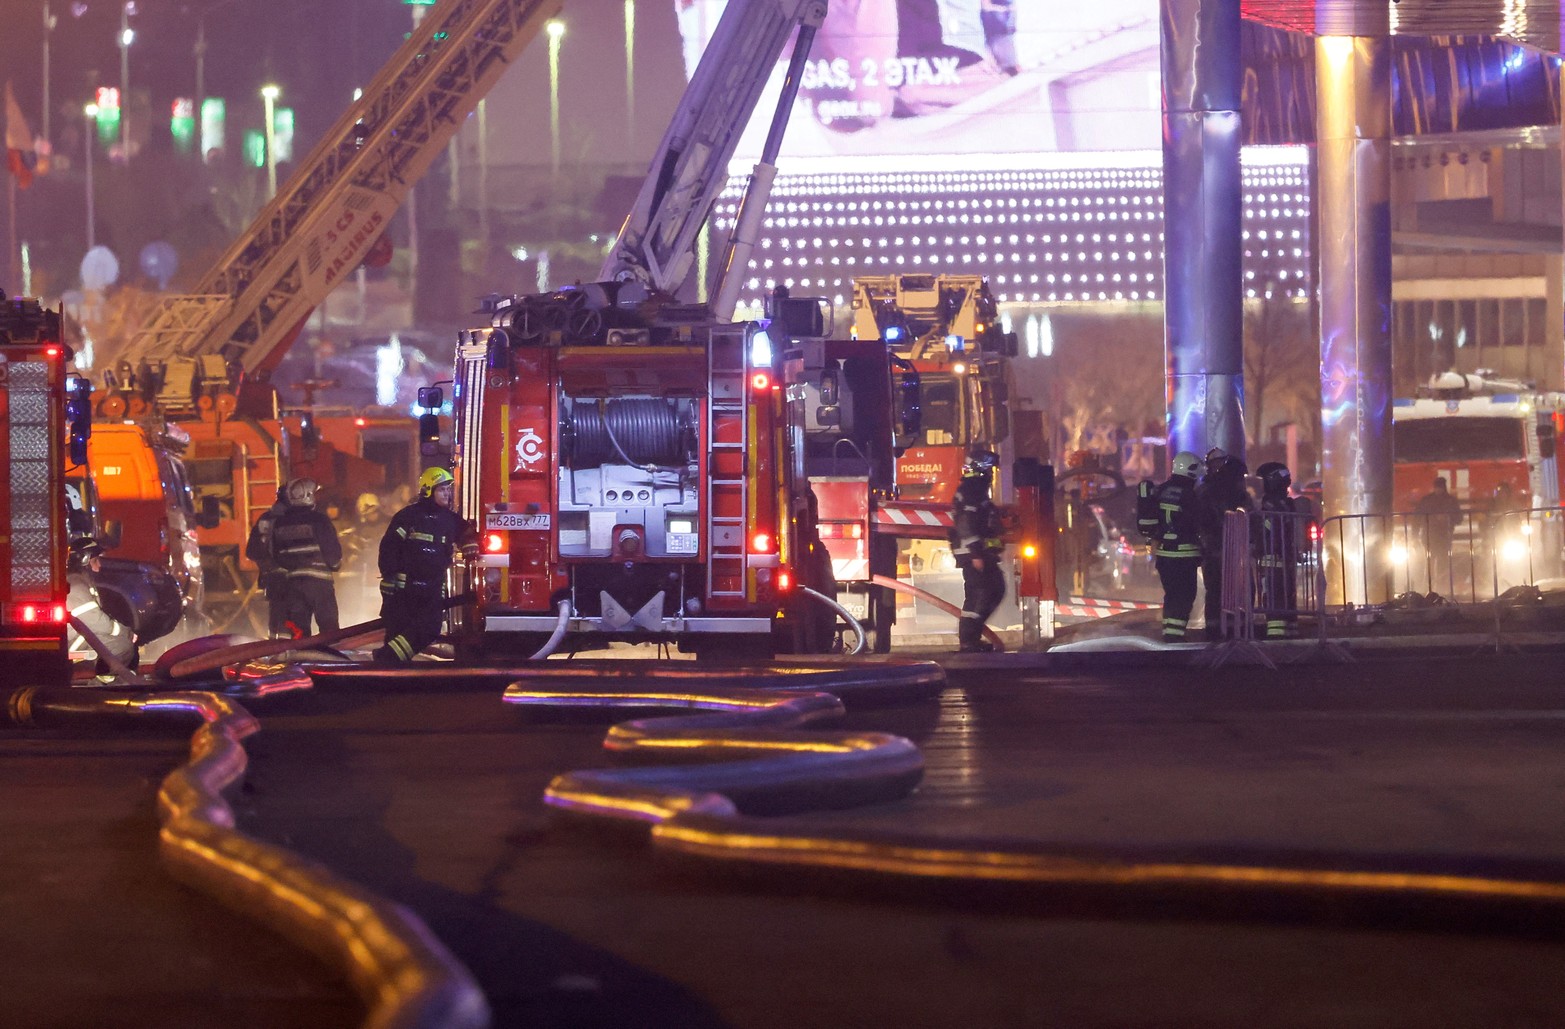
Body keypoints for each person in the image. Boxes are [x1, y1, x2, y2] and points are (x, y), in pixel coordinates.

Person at [373, 467, 477, 664]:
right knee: (399, 630)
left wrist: (470, 543)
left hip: (432, 589)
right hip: (404, 589)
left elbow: (467, 532)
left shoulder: (450, 519)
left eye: (448, 489)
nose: (447, 493)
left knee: (429, 629)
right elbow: (389, 546)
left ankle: (386, 658)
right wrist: (389, 575)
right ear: (428, 491)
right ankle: (389, 678)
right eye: (442, 489)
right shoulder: (408, 516)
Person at [64, 483, 138, 680]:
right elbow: (95, 622)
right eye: (96, 560)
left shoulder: (79, 581)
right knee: (122, 646)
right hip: (72, 640)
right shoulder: (77, 585)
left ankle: (107, 682)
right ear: (86, 561)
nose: (99, 567)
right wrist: (125, 632)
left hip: (73, 637)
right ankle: (104, 687)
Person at [270, 477, 343, 638]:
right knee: (329, 629)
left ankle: (302, 660)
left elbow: (276, 556)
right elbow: (333, 555)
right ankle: (331, 659)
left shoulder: (279, 524)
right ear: (308, 496)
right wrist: (335, 565)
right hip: (319, 585)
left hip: (293, 585)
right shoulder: (319, 520)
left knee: (298, 633)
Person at [950, 448, 1006, 653]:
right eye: (990, 468)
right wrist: (975, 553)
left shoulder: (974, 489)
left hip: (978, 552)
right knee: (980, 594)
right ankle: (968, 641)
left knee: (993, 590)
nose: (992, 473)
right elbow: (966, 523)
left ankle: (970, 639)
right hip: (972, 553)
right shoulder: (971, 490)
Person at [1195, 449, 1253, 639]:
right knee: (1217, 590)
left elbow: (1251, 517)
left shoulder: (1231, 493)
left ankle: (1236, 630)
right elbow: (1205, 520)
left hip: (1234, 550)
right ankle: (1217, 630)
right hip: (1215, 549)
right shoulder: (1207, 491)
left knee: (1239, 590)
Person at [1147, 451, 1204, 641]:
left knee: (1171, 595)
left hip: (1164, 554)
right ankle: (1175, 638)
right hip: (1184, 554)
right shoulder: (1189, 495)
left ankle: (1170, 634)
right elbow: (1198, 521)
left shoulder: (1160, 490)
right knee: (1185, 595)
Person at [1253, 462, 1302, 639]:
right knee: (1287, 594)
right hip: (1285, 558)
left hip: (1271, 558)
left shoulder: (1269, 504)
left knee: (1274, 596)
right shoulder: (1287, 503)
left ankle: (1276, 633)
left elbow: (1265, 530)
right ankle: (1290, 629)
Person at [245, 487, 290, 637]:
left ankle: (274, 647)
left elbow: (251, 551)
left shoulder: (265, 519)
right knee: (291, 616)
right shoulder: (298, 518)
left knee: (276, 613)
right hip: (293, 577)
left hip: (271, 577)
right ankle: (290, 649)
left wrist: (266, 564)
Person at [1413, 475, 1463, 594]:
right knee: (1431, 562)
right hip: (1432, 536)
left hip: (1441, 537)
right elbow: (1417, 518)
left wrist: (1447, 518)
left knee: (1441, 563)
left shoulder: (1433, 500)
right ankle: (1430, 588)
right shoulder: (1447, 501)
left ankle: (1437, 588)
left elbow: (1459, 518)